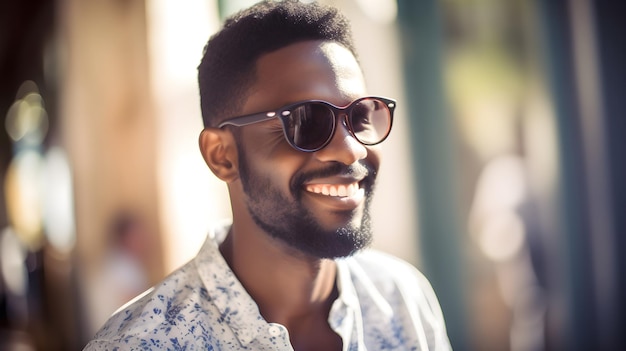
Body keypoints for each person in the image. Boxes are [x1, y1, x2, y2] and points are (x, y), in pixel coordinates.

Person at [84, 1, 451, 350]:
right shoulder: (138, 343)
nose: (351, 150)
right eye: (307, 121)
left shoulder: (402, 299)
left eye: (359, 118)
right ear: (221, 155)